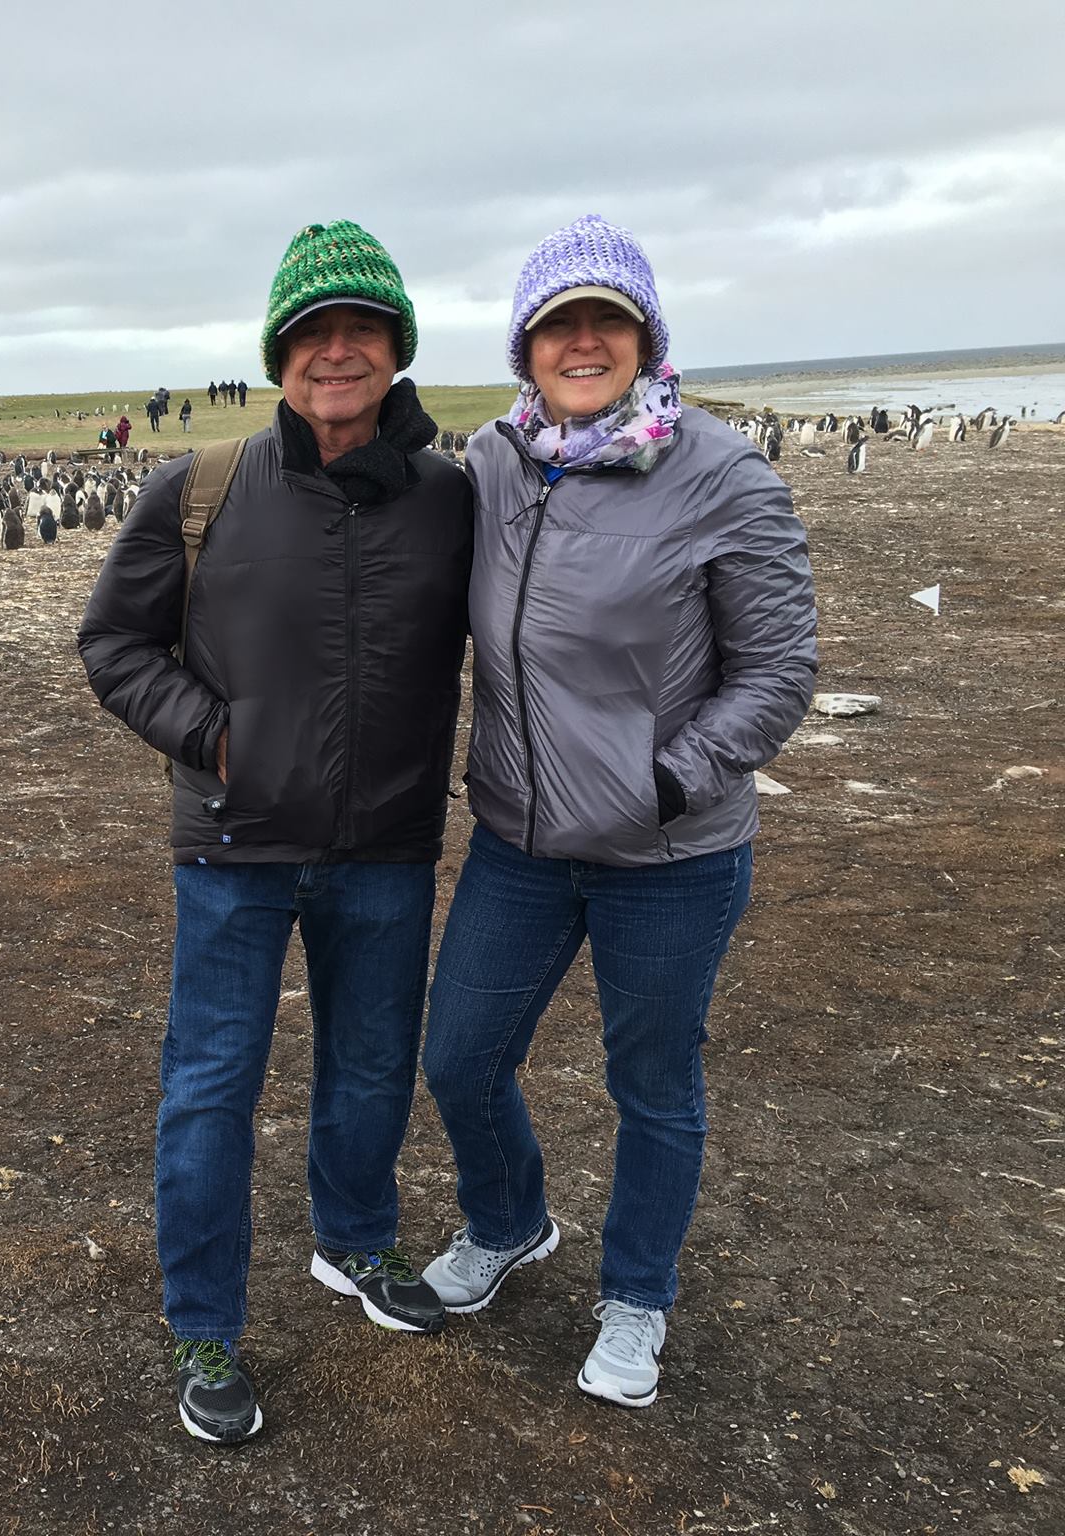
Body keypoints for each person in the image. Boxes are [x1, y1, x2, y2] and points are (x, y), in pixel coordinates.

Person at [78, 219, 472, 1444]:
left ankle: (352, 1242)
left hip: (387, 849)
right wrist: (214, 741)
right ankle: (203, 1322)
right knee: (210, 1087)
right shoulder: (198, 491)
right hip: (234, 848)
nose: (335, 352)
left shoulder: (451, 498)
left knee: (367, 1069)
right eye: (311, 334)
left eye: (359, 330)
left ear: (396, 349)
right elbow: (113, 645)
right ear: (277, 358)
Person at [418, 214, 818, 1410]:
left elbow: (777, 670)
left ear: (643, 338)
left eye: (605, 319)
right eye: (556, 322)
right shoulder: (491, 465)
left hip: (670, 852)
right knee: (458, 1057)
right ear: (523, 347)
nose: (580, 340)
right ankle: (508, 1222)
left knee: (652, 1083)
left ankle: (635, 1297)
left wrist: (666, 778)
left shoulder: (721, 473)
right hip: (521, 843)